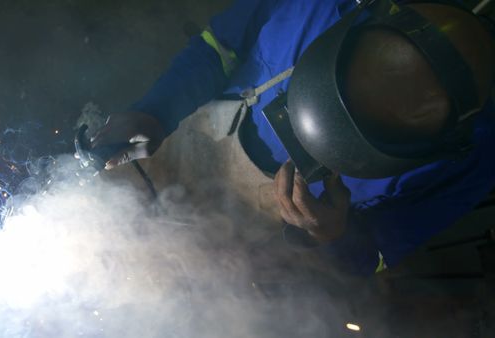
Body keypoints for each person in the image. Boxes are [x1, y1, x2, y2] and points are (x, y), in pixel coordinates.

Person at [90, 0, 495, 275]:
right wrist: (157, 111)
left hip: (246, 244)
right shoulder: (314, 7)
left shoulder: (478, 155)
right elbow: (219, 48)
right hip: (177, 149)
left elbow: (376, 254)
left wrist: (334, 235)